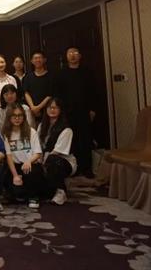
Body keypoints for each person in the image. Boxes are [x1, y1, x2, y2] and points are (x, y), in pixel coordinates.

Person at [54, 46, 96, 179]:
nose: (72, 55)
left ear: (80, 56)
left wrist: (92, 109)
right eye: (70, 53)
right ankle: (75, 167)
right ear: (66, 56)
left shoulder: (87, 72)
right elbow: (58, 94)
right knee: (72, 140)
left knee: (86, 139)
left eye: (75, 53)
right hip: (67, 112)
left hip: (84, 111)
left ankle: (87, 168)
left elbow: (93, 91)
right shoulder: (61, 74)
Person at [1, 103, 44, 209]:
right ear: (9, 117)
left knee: (33, 173)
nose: (17, 118)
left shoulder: (31, 131)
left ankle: (33, 197)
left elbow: (38, 153)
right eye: (14, 116)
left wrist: (28, 161)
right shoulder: (6, 133)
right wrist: (15, 175)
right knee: (8, 178)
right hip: (15, 166)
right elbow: (9, 157)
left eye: (20, 115)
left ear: (24, 117)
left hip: (30, 164)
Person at [38, 98, 77, 205]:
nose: (52, 110)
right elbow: (38, 146)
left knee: (53, 160)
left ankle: (61, 191)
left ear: (60, 110)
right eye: (50, 107)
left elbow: (57, 152)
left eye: (56, 107)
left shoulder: (66, 129)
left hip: (63, 161)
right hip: (44, 158)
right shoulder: (41, 126)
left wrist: (44, 162)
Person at [22, 51, 53, 124]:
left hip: (47, 110)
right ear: (32, 61)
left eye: (40, 58)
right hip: (31, 111)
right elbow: (26, 93)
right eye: (35, 58)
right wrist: (33, 107)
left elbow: (50, 94)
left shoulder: (51, 76)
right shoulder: (28, 76)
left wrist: (38, 108)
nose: (38, 60)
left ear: (44, 60)